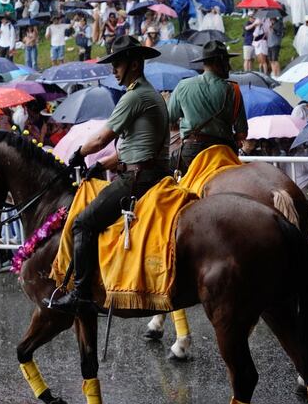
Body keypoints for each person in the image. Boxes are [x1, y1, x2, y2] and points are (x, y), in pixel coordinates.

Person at [49, 36, 171, 315]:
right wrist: (102, 164)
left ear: (135, 64)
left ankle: (81, 294)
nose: (113, 69)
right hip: (147, 171)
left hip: (137, 180)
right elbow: (135, 148)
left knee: (82, 223)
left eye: (118, 63)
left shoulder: (134, 96)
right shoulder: (148, 94)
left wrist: (79, 153)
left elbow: (102, 137)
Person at [169, 40, 247, 172]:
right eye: (227, 62)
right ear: (218, 63)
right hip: (223, 152)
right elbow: (242, 133)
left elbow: (169, 119)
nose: (230, 67)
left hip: (191, 152)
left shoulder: (183, 85)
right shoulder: (233, 90)